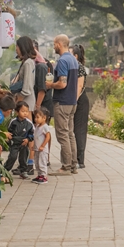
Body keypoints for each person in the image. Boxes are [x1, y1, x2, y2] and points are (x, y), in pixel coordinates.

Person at [45, 34, 79, 174]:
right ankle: (73, 165)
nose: (54, 46)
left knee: (62, 135)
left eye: (54, 43)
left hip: (62, 101)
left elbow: (62, 83)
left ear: (59, 44)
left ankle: (65, 166)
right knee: (70, 134)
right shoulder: (73, 59)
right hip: (72, 101)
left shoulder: (63, 60)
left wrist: (50, 85)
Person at [70, 44, 90, 169]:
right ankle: (74, 158)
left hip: (80, 101)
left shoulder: (79, 67)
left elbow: (79, 86)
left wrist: (74, 101)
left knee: (79, 130)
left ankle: (80, 160)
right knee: (73, 130)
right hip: (74, 100)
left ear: (75, 56)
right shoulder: (72, 67)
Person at [4, 101, 34, 179]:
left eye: (27, 111)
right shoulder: (13, 122)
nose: (25, 113)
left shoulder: (29, 123)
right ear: (17, 112)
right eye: (23, 111)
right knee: (12, 157)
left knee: (23, 157)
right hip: (15, 143)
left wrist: (28, 139)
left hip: (24, 144)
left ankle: (23, 171)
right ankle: (5, 170)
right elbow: (9, 132)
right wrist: (9, 139)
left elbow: (32, 133)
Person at [12, 36, 37, 108]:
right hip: (25, 101)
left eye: (17, 46)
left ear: (22, 47)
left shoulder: (28, 63)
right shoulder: (26, 62)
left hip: (26, 103)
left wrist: (18, 100)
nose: (16, 49)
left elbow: (27, 88)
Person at [33, 40, 54, 122]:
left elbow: (42, 88)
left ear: (35, 49)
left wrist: (37, 107)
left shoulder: (42, 65)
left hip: (42, 106)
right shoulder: (34, 63)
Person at [31, 108, 51, 184]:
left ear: (44, 118)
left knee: (42, 162)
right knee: (37, 162)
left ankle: (44, 176)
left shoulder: (45, 127)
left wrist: (43, 145)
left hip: (42, 150)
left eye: (38, 117)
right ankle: (39, 175)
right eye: (35, 117)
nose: (36, 119)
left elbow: (48, 137)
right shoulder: (37, 127)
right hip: (37, 148)